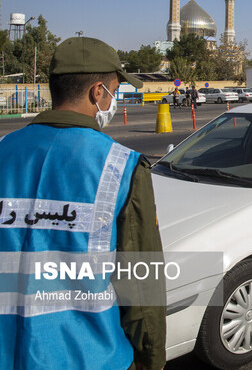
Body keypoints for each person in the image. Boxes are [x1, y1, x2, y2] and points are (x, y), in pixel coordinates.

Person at [0, 37, 166, 368]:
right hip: (90, 357)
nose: (114, 100)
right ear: (98, 93)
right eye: (115, 91)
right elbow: (141, 283)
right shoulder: (121, 166)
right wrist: (151, 359)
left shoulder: (5, 150)